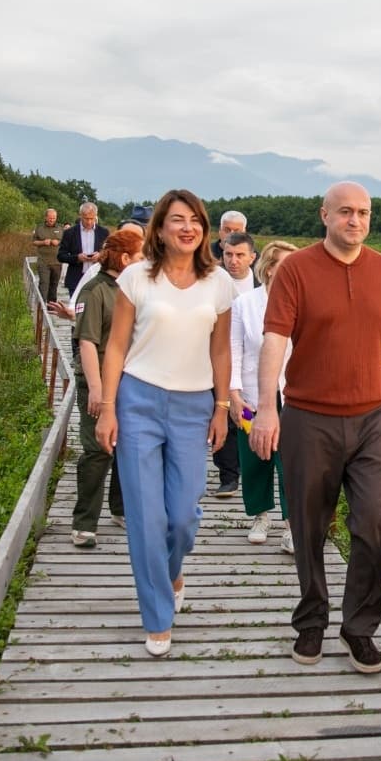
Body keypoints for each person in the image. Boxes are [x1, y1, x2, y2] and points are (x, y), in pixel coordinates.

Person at [250, 182, 381, 674]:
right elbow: (274, 341)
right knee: (307, 524)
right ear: (324, 215)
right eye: (345, 211)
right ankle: (311, 621)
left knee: (374, 520)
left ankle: (359, 628)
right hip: (308, 417)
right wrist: (268, 407)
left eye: (364, 213)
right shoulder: (297, 271)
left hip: (373, 419)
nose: (355, 220)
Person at [96, 189, 234, 658]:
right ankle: (157, 615)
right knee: (146, 517)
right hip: (137, 400)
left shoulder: (218, 284)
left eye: (195, 219)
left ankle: (174, 570)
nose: (186, 227)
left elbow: (220, 350)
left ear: (204, 229)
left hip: (195, 406)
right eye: (176, 219)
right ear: (159, 228)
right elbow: (115, 346)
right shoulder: (137, 277)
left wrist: (221, 408)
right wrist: (109, 405)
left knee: (181, 516)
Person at [69, 229, 143, 547]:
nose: (145, 264)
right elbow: (87, 342)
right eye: (140, 258)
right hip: (98, 382)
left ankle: (121, 508)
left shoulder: (131, 290)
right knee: (98, 450)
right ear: (125, 259)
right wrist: (97, 390)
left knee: (126, 448)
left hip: (130, 381)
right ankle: (84, 523)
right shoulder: (95, 291)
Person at [229, 240, 298, 550]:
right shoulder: (245, 304)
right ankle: (260, 514)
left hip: (293, 394)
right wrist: (233, 393)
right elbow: (234, 349)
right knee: (254, 454)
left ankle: (291, 524)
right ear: (270, 269)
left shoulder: (303, 302)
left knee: (292, 460)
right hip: (251, 395)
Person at [210, 230, 260, 497]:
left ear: (252, 257)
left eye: (240, 255)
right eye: (228, 254)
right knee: (221, 413)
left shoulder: (260, 288)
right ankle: (228, 476)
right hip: (215, 359)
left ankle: (248, 463)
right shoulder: (211, 282)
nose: (233, 260)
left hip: (249, 366)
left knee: (246, 417)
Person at [58, 202, 108, 297]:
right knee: (75, 309)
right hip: (76, 278)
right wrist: (77, 258)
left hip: (97, 278)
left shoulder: (103, 232)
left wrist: (100, 255)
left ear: (96, 216)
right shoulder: (70, 233)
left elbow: (110, 254)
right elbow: (61, 256)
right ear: (80, 216)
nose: (89, 222)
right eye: (86, 218)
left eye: (92, 218)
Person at [32, 208, 64, 308]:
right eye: (50, 218)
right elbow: (34, 242)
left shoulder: (61, 228)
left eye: (54, 218)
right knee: (44, 284)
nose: (52, 220)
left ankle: (52, 306)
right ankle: (41, 306)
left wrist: (58, 242)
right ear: (46, 217)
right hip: (43, 261)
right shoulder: (39, 228)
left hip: (57, 262)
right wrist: (43, 242)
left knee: (53, 285)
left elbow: (65, 242)